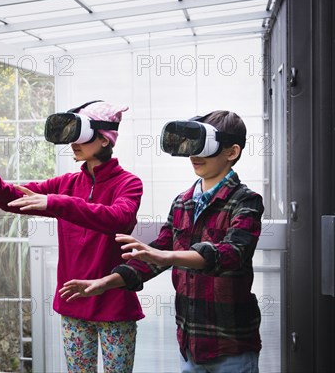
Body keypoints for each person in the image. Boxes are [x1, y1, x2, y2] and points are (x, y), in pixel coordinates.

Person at [61, 110, 264, 373]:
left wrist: (167, 256)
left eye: (202, 146)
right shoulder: (183, 201)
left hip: (231, 344)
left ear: (231, 152)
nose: (193, 154)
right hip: (190, 342)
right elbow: (156, 253)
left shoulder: (246, 201)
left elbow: (231, 253)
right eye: (190, 146)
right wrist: (107, 282)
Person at [0, 101, 144, 372]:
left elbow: (119, 218)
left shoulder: (129, 183)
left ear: (105, 140)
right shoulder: (67, 184)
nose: (73, 143)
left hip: (114, 302)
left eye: (80, 135)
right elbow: (15, 197)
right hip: (73, 302)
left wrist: (56, 203)